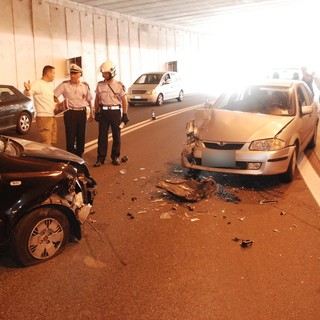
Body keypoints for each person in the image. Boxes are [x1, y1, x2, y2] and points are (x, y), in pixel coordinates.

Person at [93, 60, 129, 167]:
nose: (104, 75)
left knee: (116, 136)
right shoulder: (100, 85)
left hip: (115, 112)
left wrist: (125, 114)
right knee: (102, 136)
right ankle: (100, 158)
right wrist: (96, 111)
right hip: (104, 112)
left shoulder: (119, 85)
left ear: (112, 73)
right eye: (103, 73)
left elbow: (124, 100)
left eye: (106, 73)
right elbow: (97, 99)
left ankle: (115, 157)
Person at [54, 64, 93, 157]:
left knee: (81, 136)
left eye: (75, 73)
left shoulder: (85, 86)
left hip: (81, 113)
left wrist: (91, 112)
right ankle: (71, 157)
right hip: (70, 113)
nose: (72, 75)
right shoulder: (64, 85)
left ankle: (79, 156)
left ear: (80, 74)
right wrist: (61, 105)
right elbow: (54, 96)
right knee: (70, 136)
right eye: (71, 73)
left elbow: (88, 100)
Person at [24, 65, 58, 146]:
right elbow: (28, 92)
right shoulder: (37, 83)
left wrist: (58, 105)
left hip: (52, 116)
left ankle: (52, 156)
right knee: (46, 143)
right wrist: (27, 89)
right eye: (53, 73)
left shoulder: (48, 85)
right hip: (44, 117)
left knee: (53, 141)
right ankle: (47, 158)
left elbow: (48, 100)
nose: (54, 75)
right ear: (48, 73)